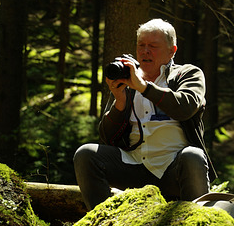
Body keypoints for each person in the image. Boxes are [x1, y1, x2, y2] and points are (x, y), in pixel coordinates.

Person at [74, 18, 217, 211]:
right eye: (141, 45)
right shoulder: (127, 78)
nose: (145, 51)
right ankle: (104, 220)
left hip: (174, 169)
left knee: (193, 156)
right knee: (86, 154)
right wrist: (120, 101)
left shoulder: (187, 74)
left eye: (153, 46)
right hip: (133, 165)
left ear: (172, 51)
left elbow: (185, 107)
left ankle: (197, 218)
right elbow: (107, 137)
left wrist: (144, 87)